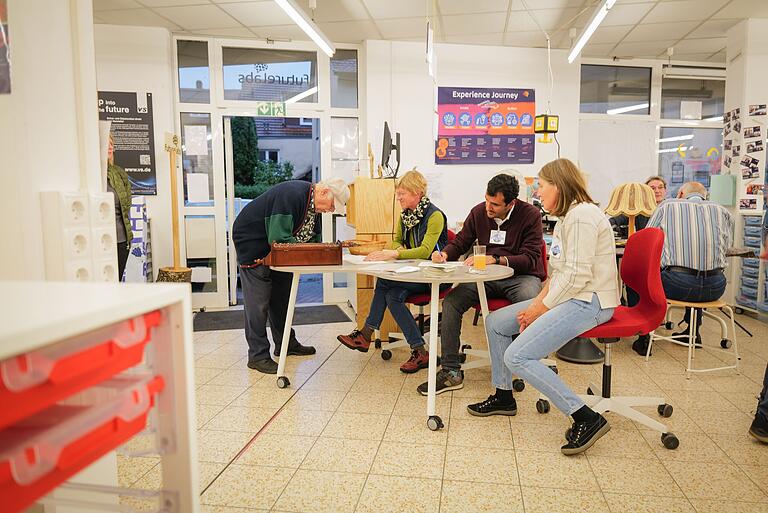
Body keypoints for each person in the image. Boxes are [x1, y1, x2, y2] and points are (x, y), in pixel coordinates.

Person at [467, 158, 619, 455]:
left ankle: (584, 416)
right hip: (572, 294)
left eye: (542, 185)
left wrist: (540, 309)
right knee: (496, 322)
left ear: (558, 186)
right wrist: (537, 303)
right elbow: (559, 274)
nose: (538, 191)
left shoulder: (583, 216)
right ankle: (503, 395)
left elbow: (577, 276)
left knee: (518, 356)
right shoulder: (568, 218)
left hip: (591, 301)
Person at [416, 173, 546, 395]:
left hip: (520, 275)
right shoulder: (478, 212)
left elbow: (530, 258)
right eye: (487, 200)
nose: (488, 207)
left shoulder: (530, 215)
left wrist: (496, 259)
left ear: (511, 203)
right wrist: (445, 254)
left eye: (495, 204)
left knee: (530, 303)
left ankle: (518, 361)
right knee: (452, 302)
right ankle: (450, 370)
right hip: (484, 277)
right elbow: (460, 242)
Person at [233, 178, 350, 374]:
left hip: (281, 254)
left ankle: (286, 344)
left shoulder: (314, 207)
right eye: (331, 205)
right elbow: (279, 238)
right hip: (253, 243)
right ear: (324, 192)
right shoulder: (292, 194)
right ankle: (257, 355)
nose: (330, 210)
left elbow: (312, 239)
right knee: (258, 304)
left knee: (282, 300)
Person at [337, 169, 448, 373]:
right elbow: (397, 241)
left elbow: (425, 251)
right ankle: (420, 351)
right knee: (392, 296)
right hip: (412, 273)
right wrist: (398, 249)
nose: (398, 198)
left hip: (432, 275)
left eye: (401, 194)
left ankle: (366, 333)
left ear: (416, 193)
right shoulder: (405, 216)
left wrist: (394, 254)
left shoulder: (435, 216)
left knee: (384, 282)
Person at [631, 181, 734, 356]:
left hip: (679, 285)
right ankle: (693, 332)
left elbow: (647, 243)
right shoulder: (722, 211)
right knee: (700, 271)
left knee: (642, 277)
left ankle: (643, 338)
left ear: (680, 194)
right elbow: (728, 246)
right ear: (705, 195)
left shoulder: (668, 206)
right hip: (715, 288)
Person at [107, 133, 133, 281]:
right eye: (106, 143)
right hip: (101, 240)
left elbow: (126, 205)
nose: (110, 147)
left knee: (116, 282)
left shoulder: (119, 173)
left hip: (121, 239)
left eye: (112, 143)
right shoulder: (93, 174)